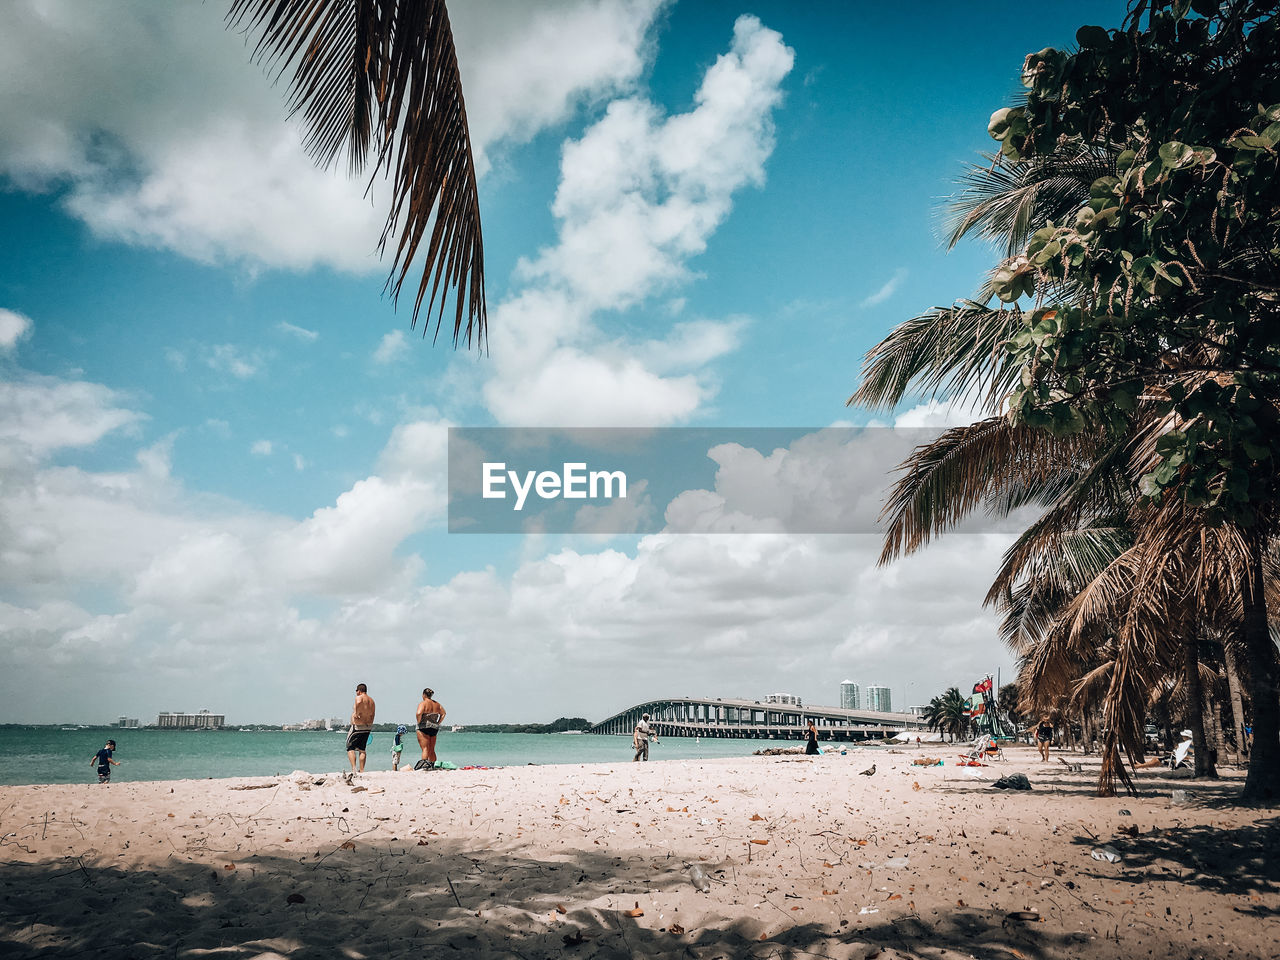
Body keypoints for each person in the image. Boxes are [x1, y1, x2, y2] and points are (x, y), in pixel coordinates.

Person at [347, 683, 376, 774]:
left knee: (350, 748)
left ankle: (354, 768)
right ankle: (362, 770)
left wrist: (356, 712)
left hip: (358, 726)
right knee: (362, 749)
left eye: (356, 691)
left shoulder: (359, 697)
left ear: (359, 691)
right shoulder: (372, 701)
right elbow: (373, 714)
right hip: (367, 727)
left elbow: (359, 702)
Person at [414, 688, 446, 771]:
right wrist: (438, 722)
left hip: (424, 726)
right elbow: (443, 713)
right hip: (434, 727)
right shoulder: (437, 704)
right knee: (432, 749)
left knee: (425, 748)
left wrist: (419, 721)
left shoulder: (423, 703)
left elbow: (418, 713)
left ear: (423, 694)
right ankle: (432, 765)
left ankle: (425, 765)